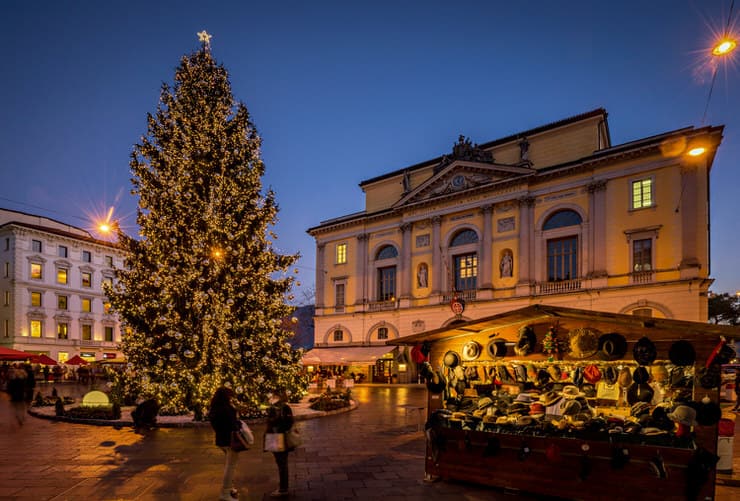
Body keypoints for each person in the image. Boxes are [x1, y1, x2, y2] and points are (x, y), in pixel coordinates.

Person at [208, 387, 242, 501]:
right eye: (230, 396)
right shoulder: (227, 409)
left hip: (221, 440)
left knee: (229, 464)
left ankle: (230, 488)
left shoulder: (214, 409)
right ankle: (225, 492)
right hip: (230, 441)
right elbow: (233, 425)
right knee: (230, 467)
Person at [266, 392, 295, 497]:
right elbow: (289, 421)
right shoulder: (283, 407)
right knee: (282, 463)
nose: (270, 398)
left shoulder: (278, 408)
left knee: (281, 463)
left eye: (273, 396)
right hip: (278, 437)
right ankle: (283, 486)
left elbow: (284, 422)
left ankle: (283, 488)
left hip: (277, 437)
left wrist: (273, 421)